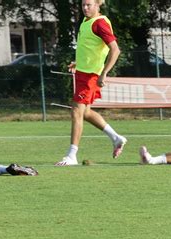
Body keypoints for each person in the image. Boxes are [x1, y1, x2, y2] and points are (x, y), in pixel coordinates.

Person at [56, 0, 126, 166]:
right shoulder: (86, 22)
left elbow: (115, 50)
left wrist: (104, 74)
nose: (85, 8)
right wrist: (77, 63)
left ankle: (72, 155)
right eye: (83, 5)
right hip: (83, 73)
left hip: (90, 77)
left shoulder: (100, 23)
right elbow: (90, 48)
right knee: (85, 113)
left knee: (76, 111)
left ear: (98, 5)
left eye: (89, 5)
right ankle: (116, 138)